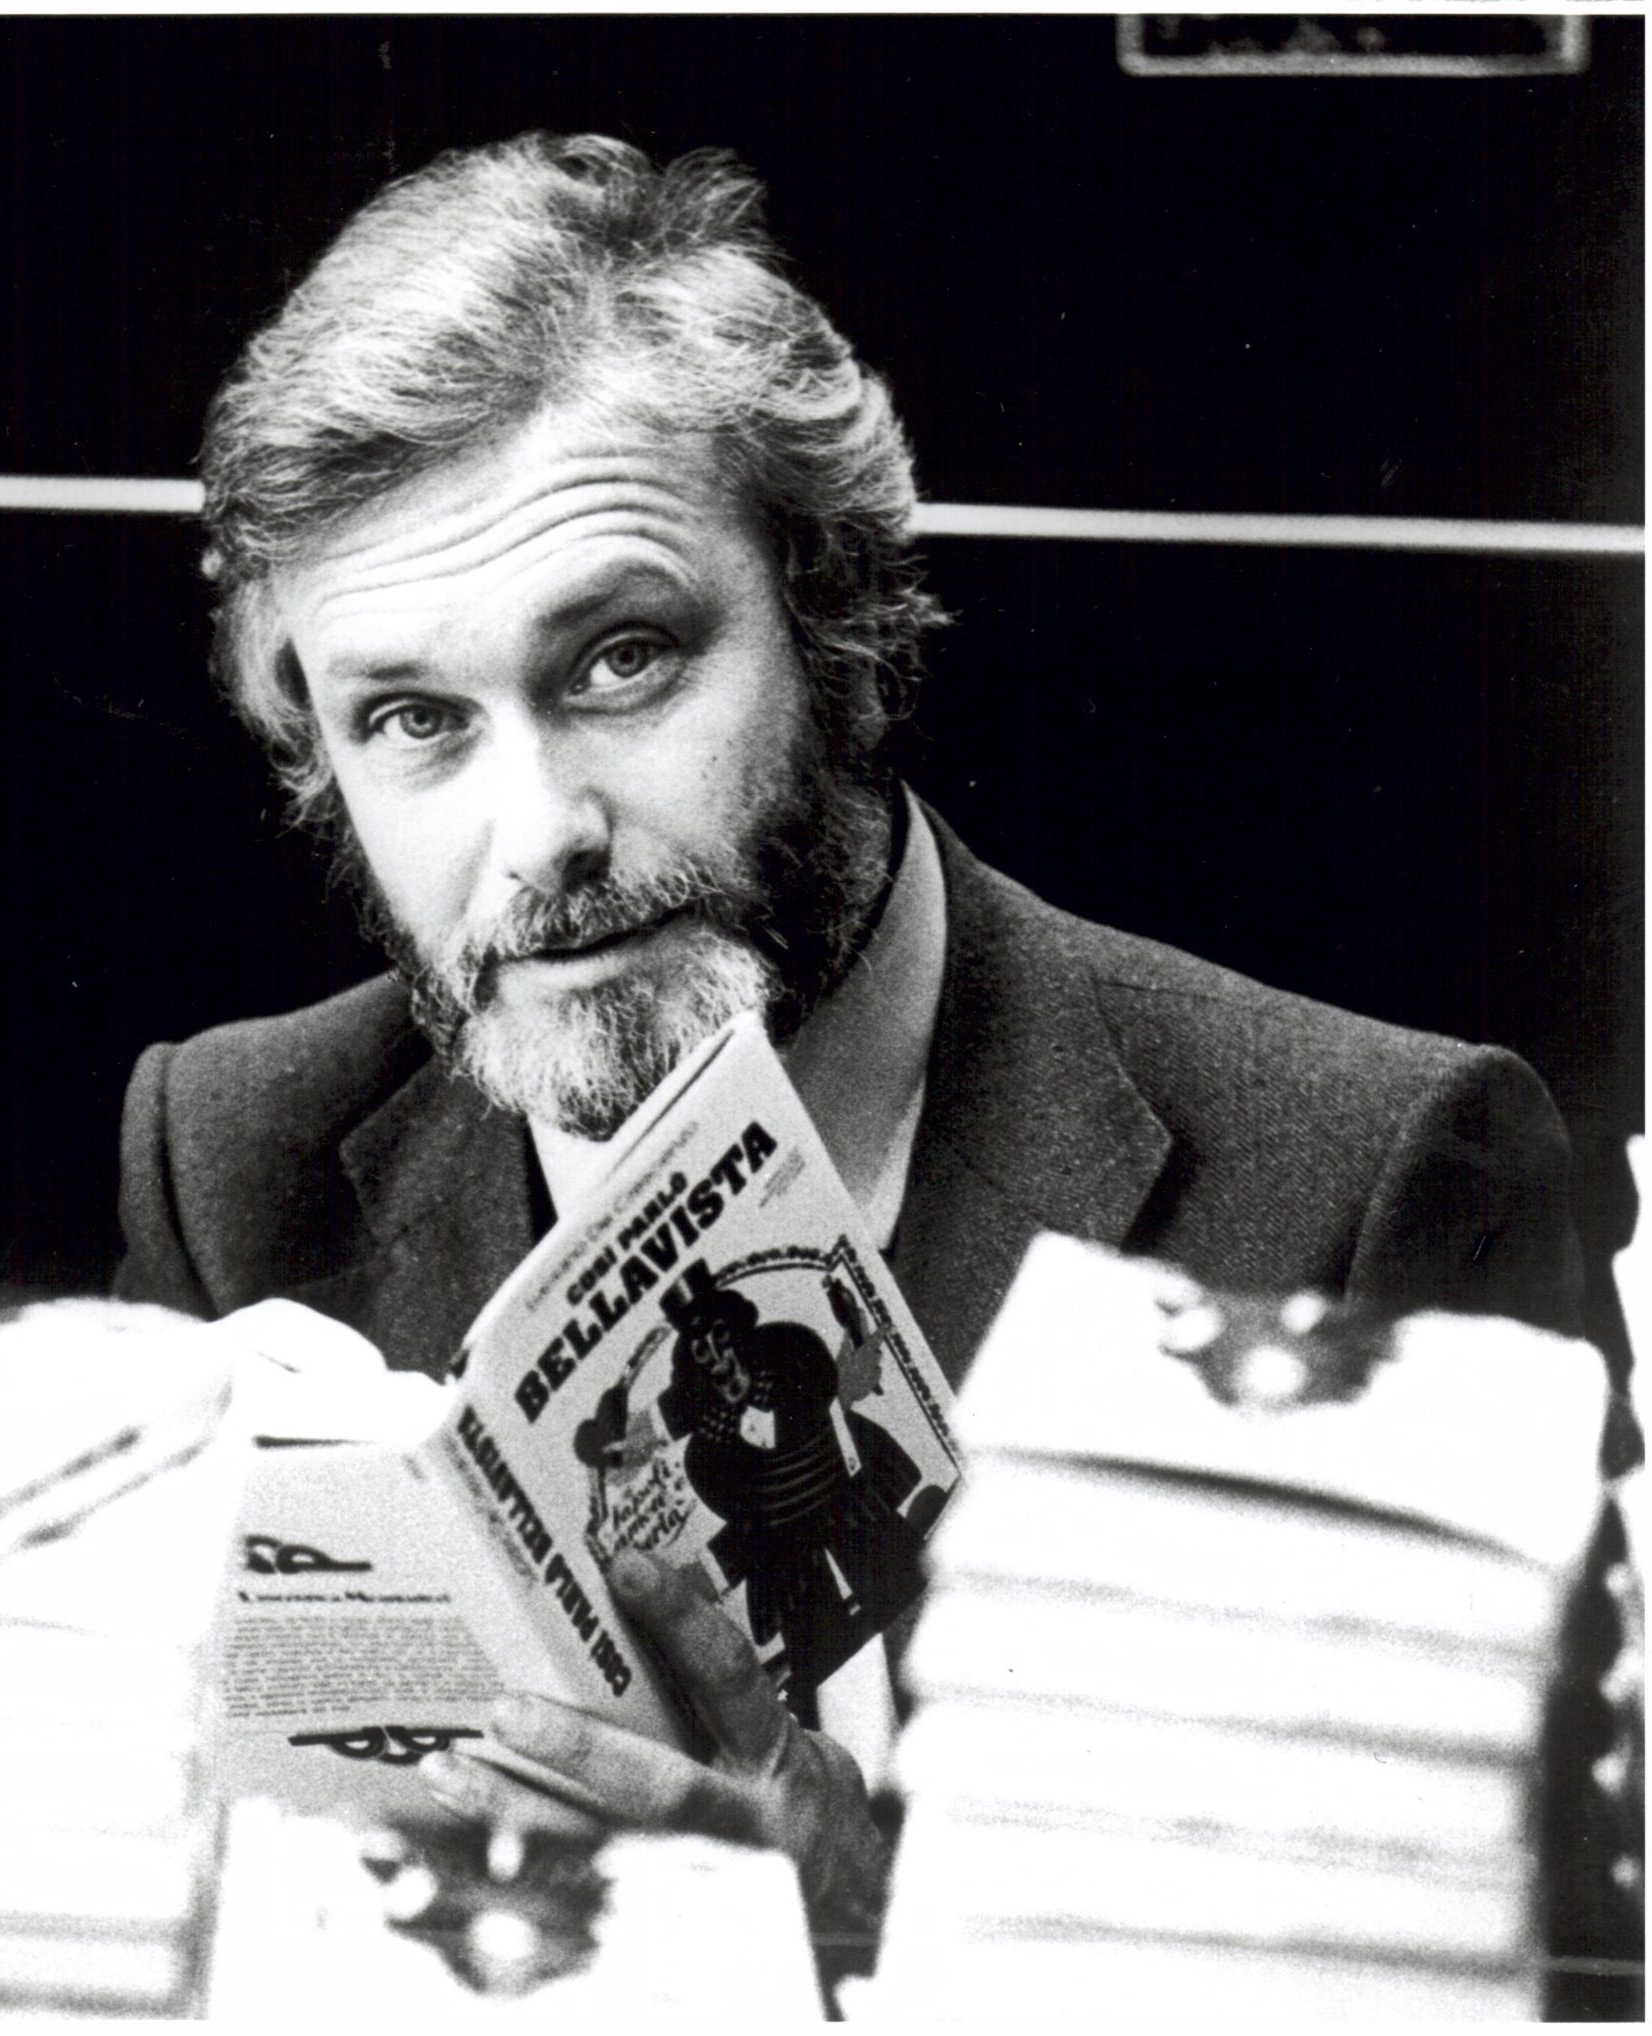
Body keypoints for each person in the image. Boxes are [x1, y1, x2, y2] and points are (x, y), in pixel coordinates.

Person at [114, 133, 1584, 1936]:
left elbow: (1488, 1976)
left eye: (623, 659)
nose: (543, 833)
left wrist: (862, 1938)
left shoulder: (1376, 1178)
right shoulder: (230, 1160)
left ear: (846, 631)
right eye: (414, 719)